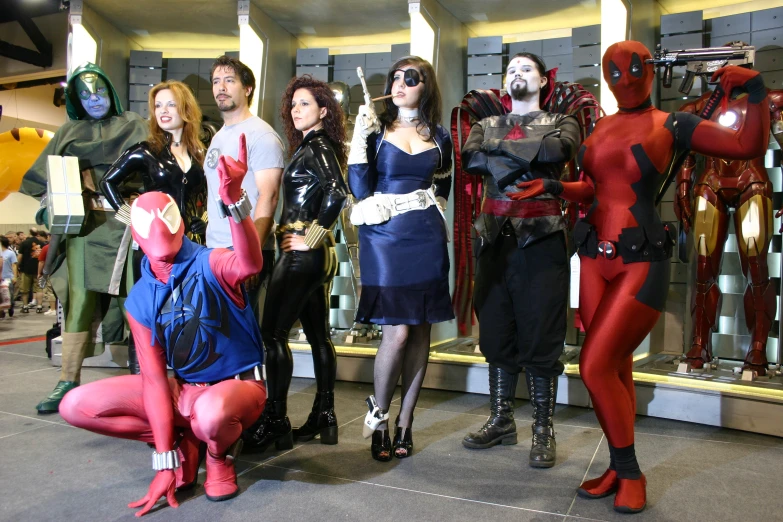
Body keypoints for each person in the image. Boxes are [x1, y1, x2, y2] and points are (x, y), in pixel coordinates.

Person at [509, 41, 769, 513]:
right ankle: (616, 464)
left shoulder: (673, 124)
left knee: (593, 365)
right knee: (616, 366)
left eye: (632, 68)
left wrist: (755, 93)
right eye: (613, 70)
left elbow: (746, 145)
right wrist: (554, 187)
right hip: (592, 258)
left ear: (649, 69)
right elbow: (593, 186)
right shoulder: (603, 126)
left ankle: (630, 471)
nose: (624, 79)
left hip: (640, 258)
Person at [59, 134, 266, 514]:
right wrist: (165, 457)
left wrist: (235, 200)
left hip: (237, 386)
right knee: (76, 406)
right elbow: (154, 380)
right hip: (183, 389)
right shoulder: (140, 299)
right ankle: (180, 441)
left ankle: (218, 457)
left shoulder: (210, 262)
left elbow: (250, 264)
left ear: (182, 225)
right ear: (136, 233)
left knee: (212, 416)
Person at [460, 53, 581, 468]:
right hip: (494, 238)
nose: (517, 74)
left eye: (525, 69)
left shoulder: (563, 122)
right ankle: (501, 419)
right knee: (495, 329)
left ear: (544, 80)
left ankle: (543, 429)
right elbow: (470, 159)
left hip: (543, 239)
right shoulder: (483, 125)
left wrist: (499, 149)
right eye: (510, 70)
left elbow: (559, 150)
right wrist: (527, 154)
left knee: (542, 333)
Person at [21, 62, 148, 414]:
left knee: (133, 301)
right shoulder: (67, 132)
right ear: (75, 99)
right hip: (83, 228)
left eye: (101, 91)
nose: (95, 100)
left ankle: (145, 377)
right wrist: (51, 205)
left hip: (126, 225)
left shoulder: (136, 125)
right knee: (79, 301)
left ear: (112, 92)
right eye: (86, 94)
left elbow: (156, 170)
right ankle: (67, 378)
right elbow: (41, 179)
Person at [347, 56, 453, 461]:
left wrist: (434, 217)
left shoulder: (440, 136)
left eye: (412, 78)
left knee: (421, 332)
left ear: (426, 86)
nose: (401, 83)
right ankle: (381, 416)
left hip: (425, 235)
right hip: (384, 237)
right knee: (398, 333)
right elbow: (360, 188)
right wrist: (359, 141)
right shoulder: (375, 130)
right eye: (396, 77)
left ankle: (406, 423)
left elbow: (444, 188)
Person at [245, 75, 348, 451]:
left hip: (302, 253)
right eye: (293, 104)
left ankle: (275, 420)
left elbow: (338, 193)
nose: (296, 110)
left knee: (271, 335)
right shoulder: (315, 147)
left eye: (304, 103)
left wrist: (313, 235)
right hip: (315, 258)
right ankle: (325, 414)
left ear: (323, 110)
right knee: (319, 336)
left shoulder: (317, 146)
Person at [673, 50, 783, 376]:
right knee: (704, 270)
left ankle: (759, 347)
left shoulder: (770, 100)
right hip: (711, 182)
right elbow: (686, 156)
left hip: (753, 182)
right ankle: (699, 344)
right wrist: (682, 187)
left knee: (757, 266)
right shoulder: (697, 107)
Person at [101, 80, 208, 374]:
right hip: (154, 247)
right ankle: (144, 381)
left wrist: (206, 215)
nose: (163, 110)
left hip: (189, 245)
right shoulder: (146, 151)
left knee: (188, 313)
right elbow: (108, 182)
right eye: (158, 105)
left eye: (171, 103)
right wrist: (130, 215)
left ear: (185, 108)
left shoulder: (199, 150)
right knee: (150, 313)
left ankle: (184, 383)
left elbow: (204, 192)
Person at [204, 55, 285, 320]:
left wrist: (249, 255)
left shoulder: (261, 135)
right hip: (215, 249)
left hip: (243, 250)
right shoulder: (219, 135)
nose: (221, 87)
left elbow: (269, 196)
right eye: (216, 81)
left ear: (247, 89)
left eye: (229, 80)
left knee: (240, 337)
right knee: (218, 334)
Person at [16, 229, 44, 313]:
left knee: (25, 289)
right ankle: (39, 306)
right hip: (38, 269)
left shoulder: (24, 243)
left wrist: (17, 266)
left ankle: (25, 306)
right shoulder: (41, 243)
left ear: (29, 233)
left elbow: (20, 256)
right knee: (39, 289)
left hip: (26, 269)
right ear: (37, 234)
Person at [0, 236, 17, 319]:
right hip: (0, 278)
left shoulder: (10, 253)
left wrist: (15, 276)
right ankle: (1, 311)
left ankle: (11, 306)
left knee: (9, 294)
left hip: (8, 277)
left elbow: (14, 265)